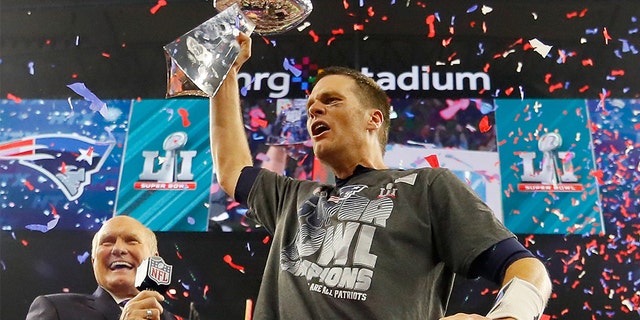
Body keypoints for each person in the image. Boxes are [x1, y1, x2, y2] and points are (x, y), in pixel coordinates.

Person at [209, 32, 552, 320]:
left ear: (374, 119)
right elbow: (232, 169)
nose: (314, 108)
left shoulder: (428, 187)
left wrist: (508, 316)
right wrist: (228, 72)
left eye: (331, 100)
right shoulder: (293, 198)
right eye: (312, 103)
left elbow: (524, 267)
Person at [26, 215, 177, 320]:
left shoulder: (171, 318)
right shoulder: (56, 309)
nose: (118, 249)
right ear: (94, 261)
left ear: (154, 259)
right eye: (107, 242)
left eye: (131, 241)